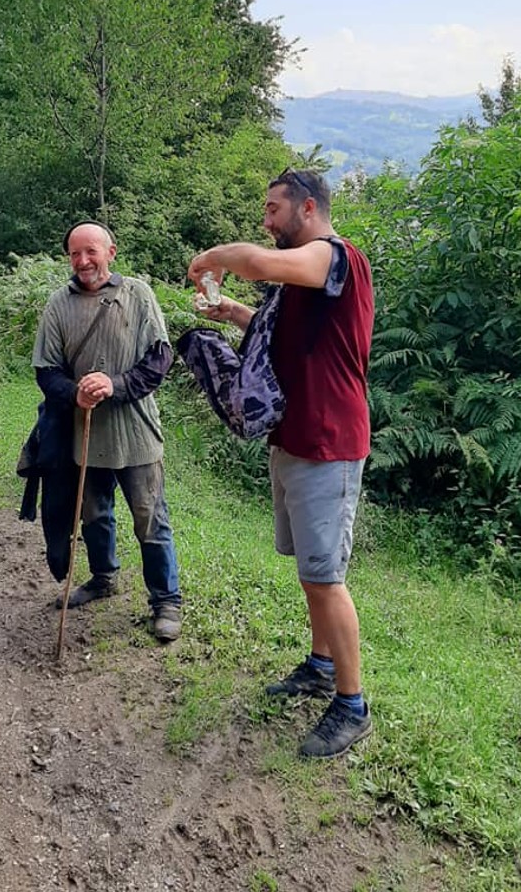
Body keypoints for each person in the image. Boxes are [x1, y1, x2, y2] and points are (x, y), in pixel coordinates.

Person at [187, 169, 374, 757]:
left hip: (329, 442)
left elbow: (259, 262)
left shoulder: (336, 258)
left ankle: (352, 705)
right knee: (311, 573)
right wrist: (237, 314)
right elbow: (287, 340)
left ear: (308, 208)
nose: (266, 222)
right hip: (293, 440)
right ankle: (320, 667)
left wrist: (211, 257)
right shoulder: (304, 279)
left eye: (273, 210)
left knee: (325, 576)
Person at [32, 220, 182, 642]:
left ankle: (166, 601)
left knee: (150, 518)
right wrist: (74, 394)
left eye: (91, 251)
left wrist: (115, 385)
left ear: (111, 252)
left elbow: (159, 359)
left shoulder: (138, 295)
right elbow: (46, 370)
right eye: (75, 254)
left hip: (136, 434)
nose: (83, 261)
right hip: (84, 435)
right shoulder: (58, 305)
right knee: (94, 514)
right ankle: (103, 578)